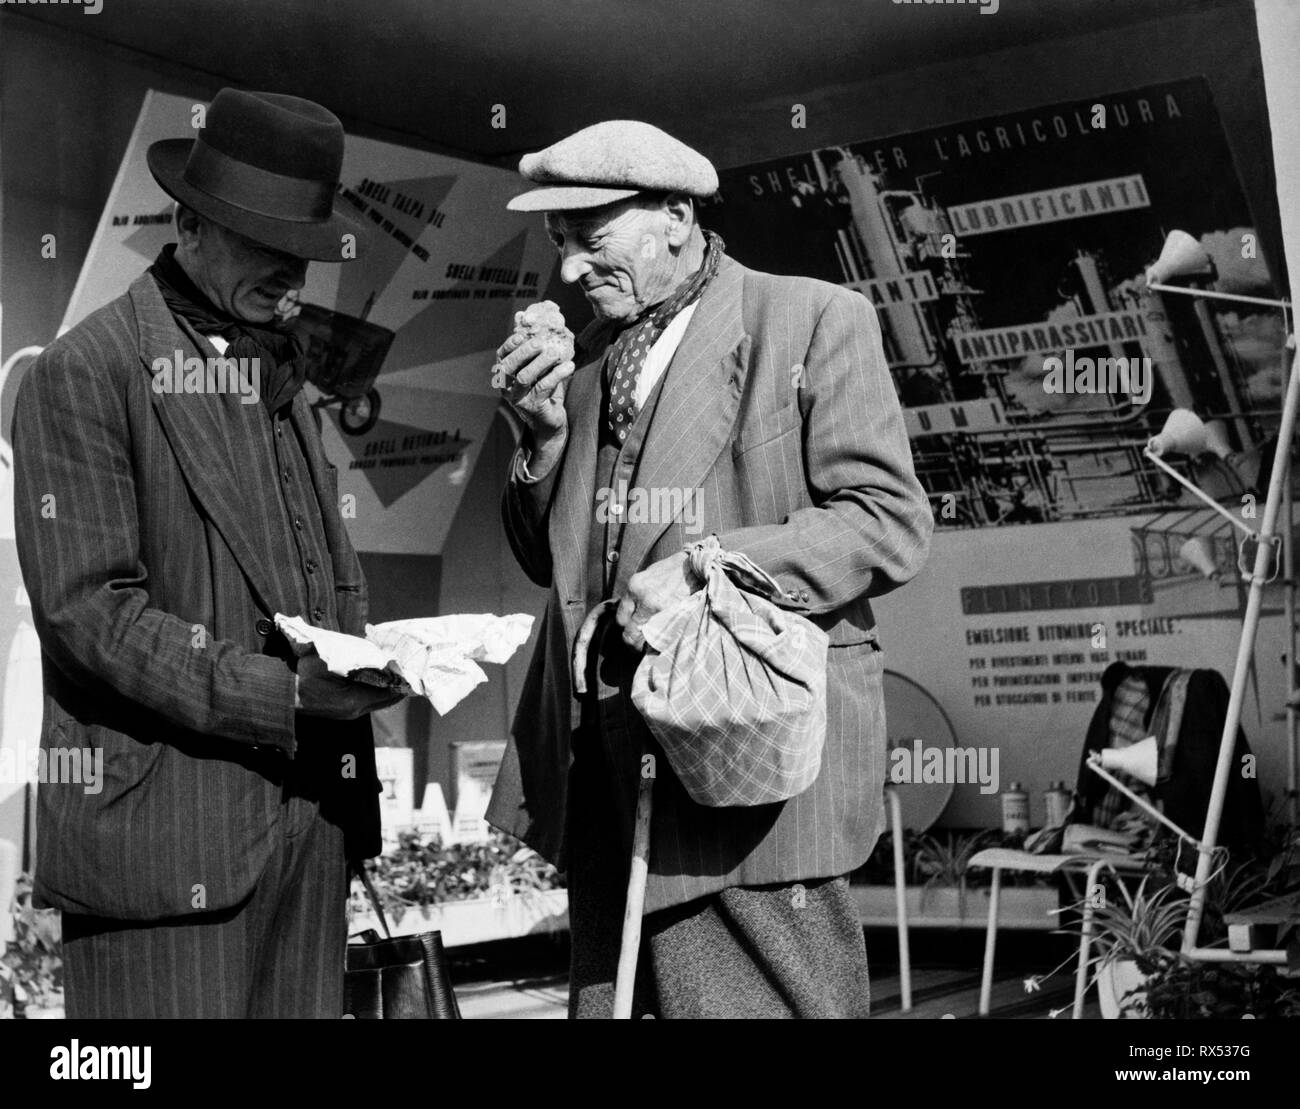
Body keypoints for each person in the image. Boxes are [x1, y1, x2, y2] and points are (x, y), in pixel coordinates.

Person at [488, 120, 933, 1018]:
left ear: (677, 216)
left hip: (742, 769)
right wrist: (541, 439)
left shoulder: (811, 318)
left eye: (591, 236)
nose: (570, 269)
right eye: (560, 241)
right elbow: (549, 561)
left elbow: (888, 521)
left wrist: (709, 569)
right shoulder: (587, 366)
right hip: (605, 775)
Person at [12, 88, 404, 1018]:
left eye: (304, 252)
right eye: (266, 244)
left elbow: (317, 577)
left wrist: (377, 661)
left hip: (309, 835)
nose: (292, 275)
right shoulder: (88, 371)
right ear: (188, 225)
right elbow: (88, 612)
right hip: (163, 848)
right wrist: (284, 694)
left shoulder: (280, 373)